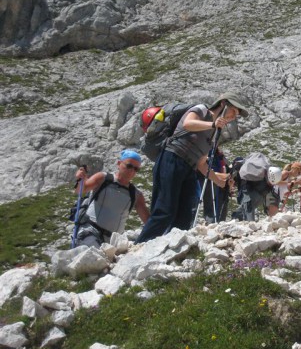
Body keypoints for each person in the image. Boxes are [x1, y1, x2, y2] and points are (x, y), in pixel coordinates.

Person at [136, 92, 249, 243]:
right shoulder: (202, 110)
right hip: (172, 158)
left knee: (186, 214)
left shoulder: (214, 132)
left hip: (189, 167)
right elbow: (188, 123)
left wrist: (218, 181)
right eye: (234, 111)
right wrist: (212, 124)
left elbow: (202, 163)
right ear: (223, 103)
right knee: (165, 211)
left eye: (237, 114)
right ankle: (141, 246)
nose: (234, 116)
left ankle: (172, 248)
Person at [73, 150, 150, 248]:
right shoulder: (103, 178)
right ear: (119, 164)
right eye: (129, 166)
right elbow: (80, 190)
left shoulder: (136, 195)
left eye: (136, 169)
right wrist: (79, 179)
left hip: (113, 241)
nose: (132, 171)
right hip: (90, 231)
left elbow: (147, 220)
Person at [200, 149, 231, 223]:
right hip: (212, 180)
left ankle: (214, 222)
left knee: (214, 203)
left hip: (218, 181)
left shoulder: (218, 155)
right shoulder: (213, 153)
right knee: (211, 203)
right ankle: (212, 222)